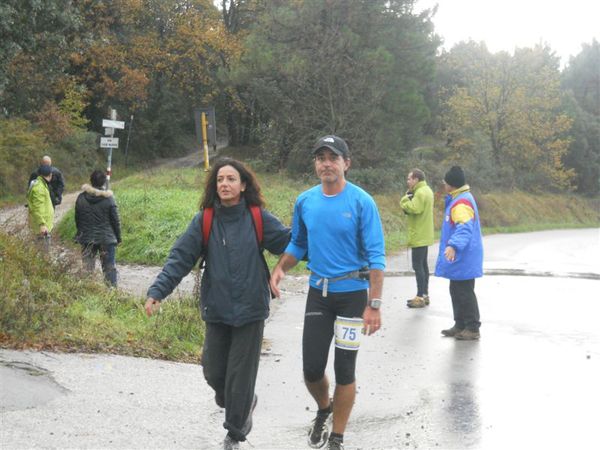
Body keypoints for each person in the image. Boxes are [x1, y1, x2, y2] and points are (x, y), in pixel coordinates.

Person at [144, 158, 290, 450]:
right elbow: (180, 257)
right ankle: (243, 401)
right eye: (220, 179)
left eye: (231, 179)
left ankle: (235, 434)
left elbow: (290, 243)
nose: (225, 184)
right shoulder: (205, 220)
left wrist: (318, 237)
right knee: (213, 371)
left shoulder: (257, 217)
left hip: (251, 309)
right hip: (217, 308)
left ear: (243, 184)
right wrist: (158, 291)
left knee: (241, 375)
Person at [270, 135, 386, 450]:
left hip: (352, 295)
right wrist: (281, 268)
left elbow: (376, 257)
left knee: (344, 368)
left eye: (333, 158)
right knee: (311, 368)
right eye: (321, 158)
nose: (326, 163)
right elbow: (298, 243)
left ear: (346, 163)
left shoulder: (362, 201)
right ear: (315, 164)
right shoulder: (306, 200)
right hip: (318, 293)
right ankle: (324, 408)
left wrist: (373, 304)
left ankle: (337, 436)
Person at [435, 166, 483, 340]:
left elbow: (464, 228)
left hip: (464, 255)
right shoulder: (458, 198)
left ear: (451, 184)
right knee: (456, 289)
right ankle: (460, 324)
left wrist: (453, 245)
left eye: (445, 181)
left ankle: (472, 327)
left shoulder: (461, 202)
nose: (443, 184)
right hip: (461, 256)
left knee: (464, 291)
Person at [74, 170, 122, 287]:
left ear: (91, 181)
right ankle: (111, 294)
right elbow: (115, 220)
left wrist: (81, 233)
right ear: (104, 182)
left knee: (87, 269)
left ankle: (88, 292)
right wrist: (118, 237)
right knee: (109, 268)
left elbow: (78, 218)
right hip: (106, 239)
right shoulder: (109, 199)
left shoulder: (81, 198)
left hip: (87, 238)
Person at [27, 164, 54, 252]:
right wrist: (42, 224)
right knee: (44, 255)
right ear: (50, 175)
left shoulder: (41, 184)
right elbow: (37, 207)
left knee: (44, 254)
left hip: (43, 226)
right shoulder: (39, 188)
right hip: (42, 229)